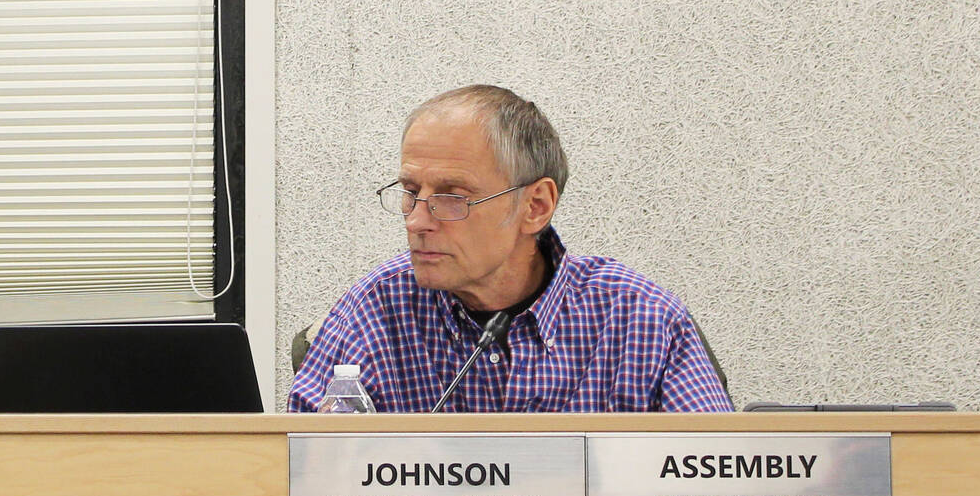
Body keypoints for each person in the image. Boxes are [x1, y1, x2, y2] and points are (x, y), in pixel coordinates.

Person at [288, 85, 731, 413]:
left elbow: (717, 495)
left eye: (452, 196)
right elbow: (291, 488)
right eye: (410, 191)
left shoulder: (641, 319)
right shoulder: (374, 309)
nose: (417, 220)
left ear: (535, 207)